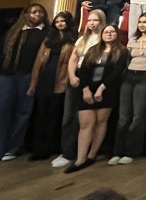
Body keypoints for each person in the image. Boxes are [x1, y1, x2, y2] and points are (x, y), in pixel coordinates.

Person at [64, 25, 127, 173]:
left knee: (100, 122)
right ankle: (80, 159)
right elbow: (84, 70)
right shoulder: (93, 49)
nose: (109, 34)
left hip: (107, 90)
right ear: (102, 34)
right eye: (106, 32)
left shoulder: (122, 51)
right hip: (87, 89)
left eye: (112, 32)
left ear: (116, 35)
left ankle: (92, 155)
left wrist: (101, 89)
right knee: (86, 123)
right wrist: (85, 89)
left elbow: (117, 73)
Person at [109, 11, 146, 166]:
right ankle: (118, 151)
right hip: (129, 76)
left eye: (145, 22)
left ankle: (131, 151)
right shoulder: (133, 39)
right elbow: (126, 59)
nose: (142, 25)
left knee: (138, 116)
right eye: (140, 22)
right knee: (123, 116)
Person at [57, 10, 105, 168]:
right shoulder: (81, 40)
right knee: (68, 116)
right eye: (89, 20)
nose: (91, 23)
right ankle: (66, 153)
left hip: (94, 78)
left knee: (87, 120)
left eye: (95, 20)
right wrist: (71, 76)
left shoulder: (104, 39)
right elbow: (72, 60)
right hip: (77, 78)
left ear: (101, 22)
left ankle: (83, 154)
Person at [0, 4, 48, 161]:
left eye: (40, 12)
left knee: (22, 112)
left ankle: (13, 147)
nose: (37, 15)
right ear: (26, 14)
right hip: (7, 75)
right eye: (34, 12)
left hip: (27, 76)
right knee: (3, 110)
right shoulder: (14, 31)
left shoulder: (45, 33)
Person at [27, 11, 76, 162]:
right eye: (57, 21)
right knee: (41, 115)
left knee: (54, 116)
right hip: (45, 79)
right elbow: (37, 63)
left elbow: (71, 63)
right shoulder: (48, 39)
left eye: (63, 21)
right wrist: (33, 83)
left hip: (61, 80)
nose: (60, 24)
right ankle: (38, 148)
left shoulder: (73, 40)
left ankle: (49, 148)